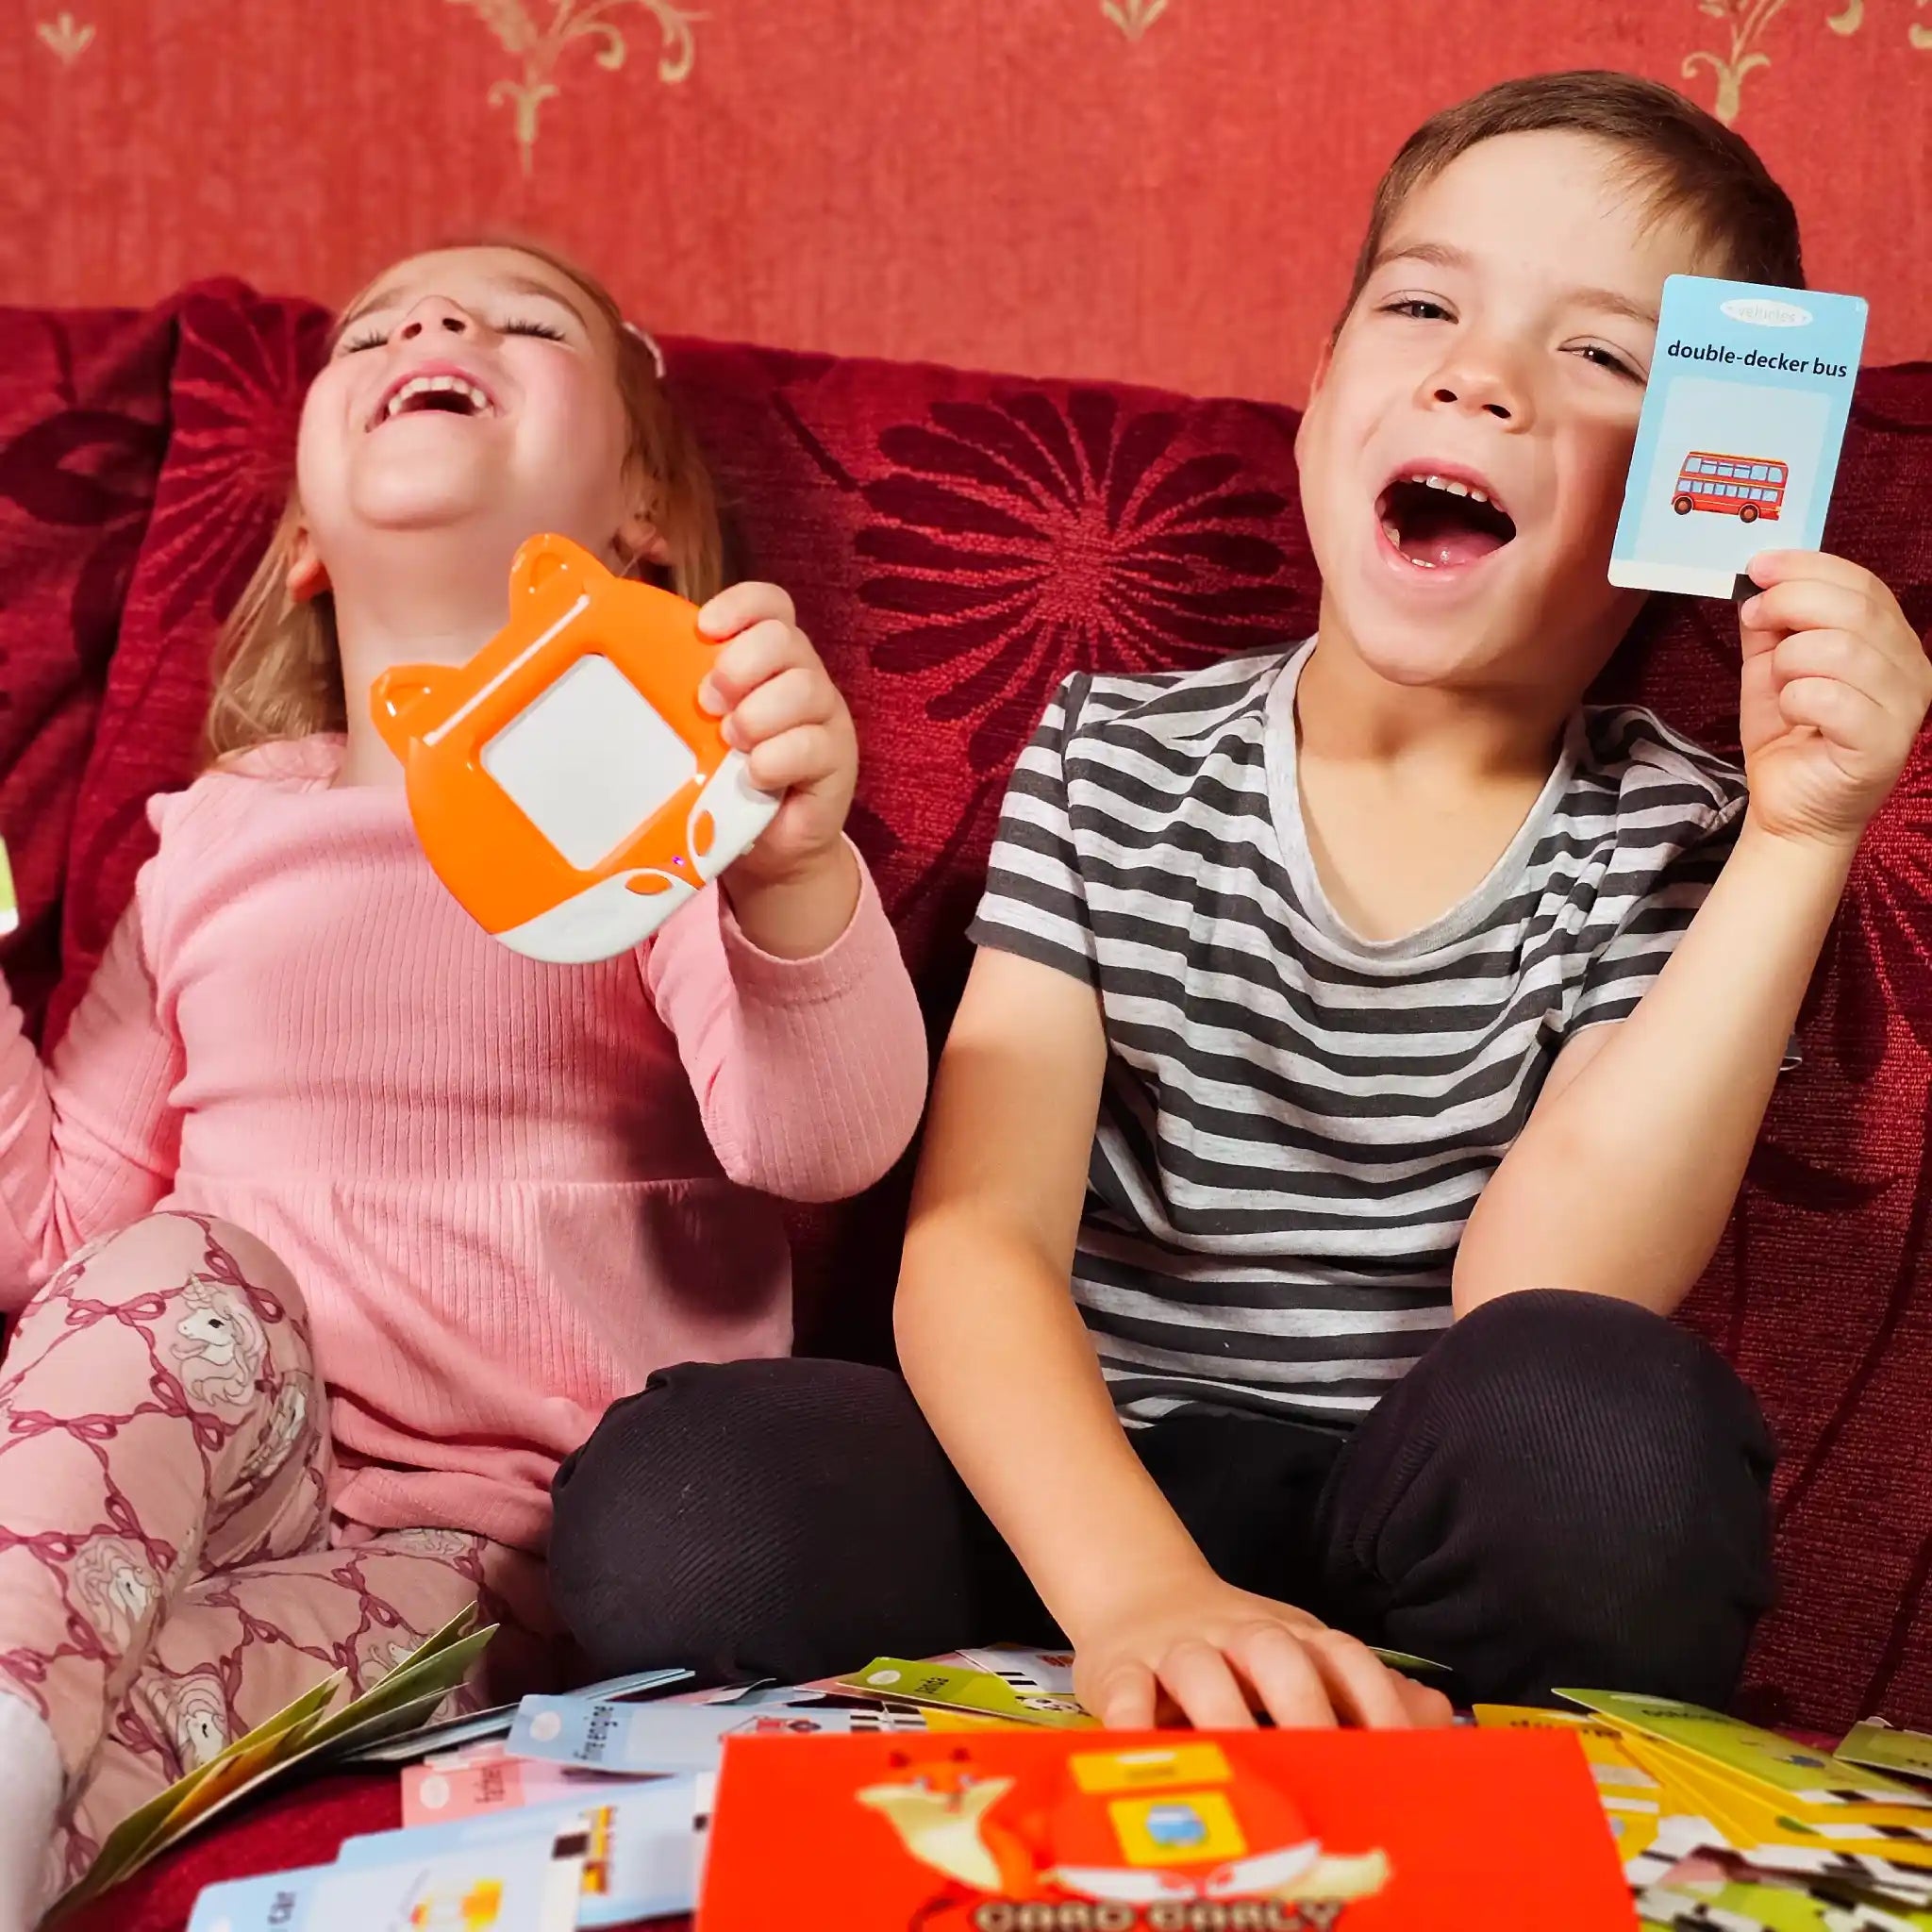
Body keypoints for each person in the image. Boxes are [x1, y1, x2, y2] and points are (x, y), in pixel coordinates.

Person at [546, 72, 1930, 1733]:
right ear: (1323, 390)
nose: (1477, 375)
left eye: (1598, 355)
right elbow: (979, 1243)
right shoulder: (1113, 754)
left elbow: (1551, 1287)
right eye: (1422, 305)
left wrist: (1800, 840)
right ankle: (1140, 1671)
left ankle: (1390, 1736)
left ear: (1699, 486)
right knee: (688, 1491)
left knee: (1614, 1428)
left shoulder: (1677, 830)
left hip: (1414, 1530)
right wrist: (1141, 1595)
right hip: (1072, 1505)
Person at [0, 240, 927, 1924]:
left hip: (478, 1548)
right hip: (199, 1451)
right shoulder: (214, 840)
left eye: (524, 320)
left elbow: (825, 1141)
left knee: (165, 1710)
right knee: (170, 1270)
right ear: (303, 540)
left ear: (642, 512)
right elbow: (56, 1243)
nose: (431, 326)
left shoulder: (656, 807)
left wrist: (790, 871)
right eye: (374, 329)